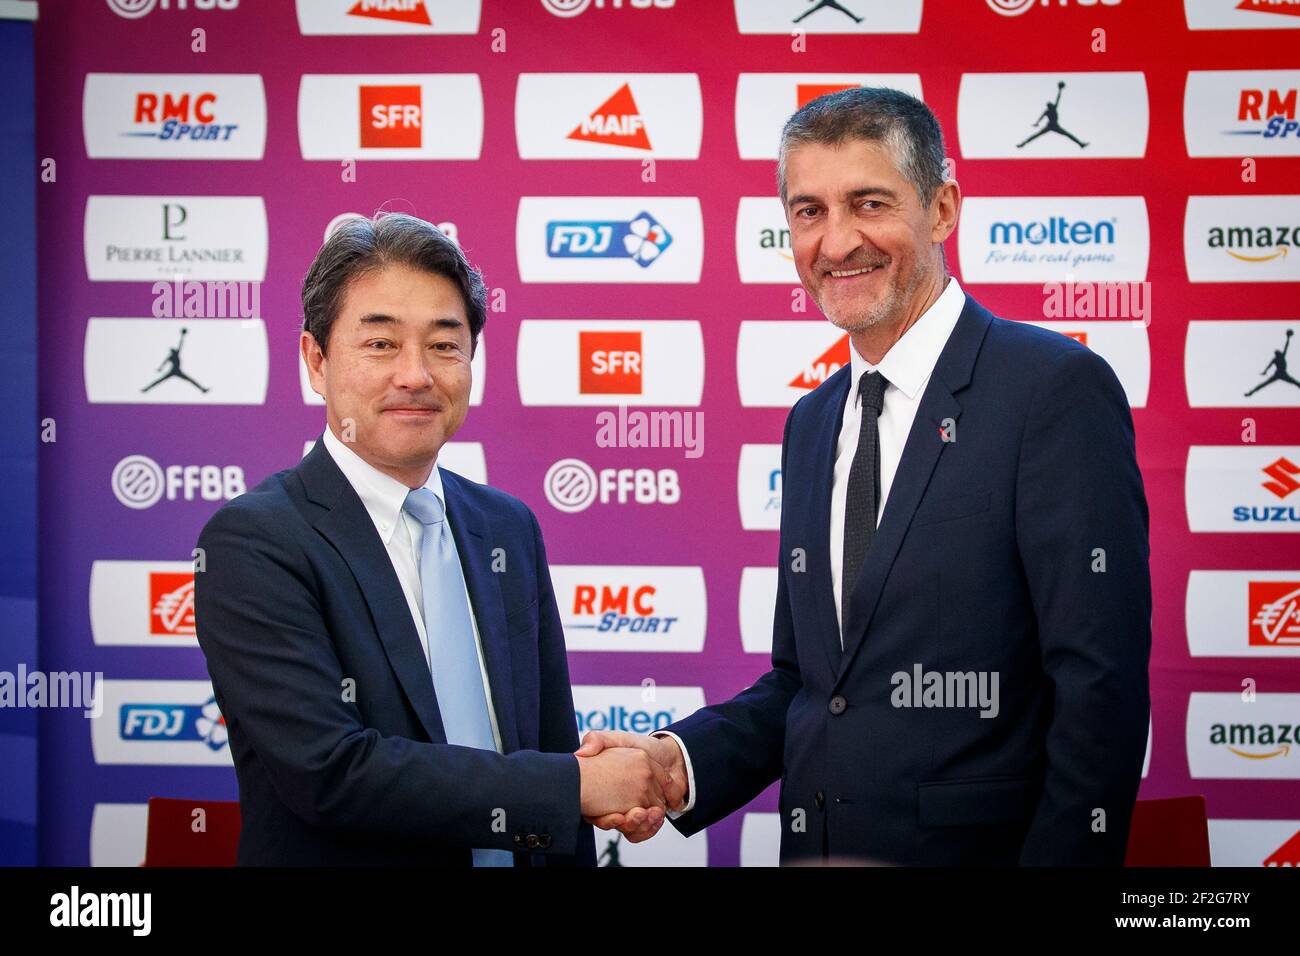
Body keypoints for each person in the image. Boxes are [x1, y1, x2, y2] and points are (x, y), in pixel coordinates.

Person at [578, 87, 1151, 866]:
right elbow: (811, 685)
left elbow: (1100, 693)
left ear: (943, 208)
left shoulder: (1053, 390)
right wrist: (678, 765)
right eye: (809, 211)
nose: (837, 242)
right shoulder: (811, 424)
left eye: (869, 202)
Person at [195, 213, 675, 865]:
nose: (416, 375)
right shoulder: (255, 541)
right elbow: (332, 776)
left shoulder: (506, 528)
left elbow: (547, 748)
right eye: (382, 345)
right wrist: (576, 787)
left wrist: (584, 795)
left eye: (444, 345)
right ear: (316, 359)